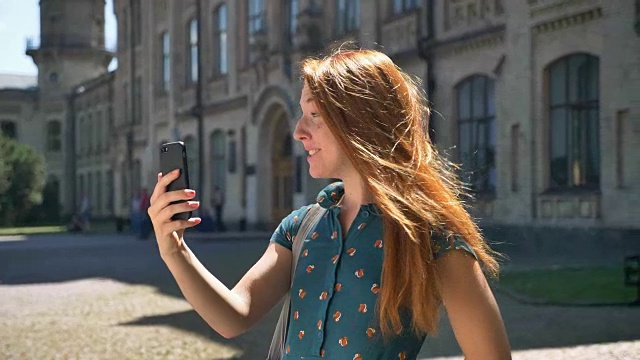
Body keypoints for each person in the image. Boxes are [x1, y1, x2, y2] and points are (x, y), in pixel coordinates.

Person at [147, 49, 511, 359]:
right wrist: (174, 250)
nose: (298, 132)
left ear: (363, 122)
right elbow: (233, 316)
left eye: (315, 116)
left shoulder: (431, 238)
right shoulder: (299, 227)